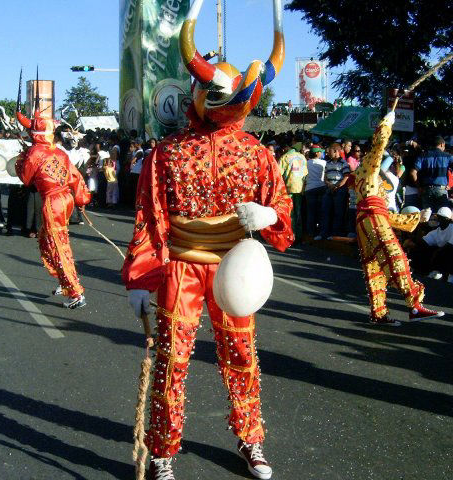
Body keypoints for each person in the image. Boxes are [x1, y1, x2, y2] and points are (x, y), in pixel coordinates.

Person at [123, 4, 292, 477]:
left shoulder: (258, 154)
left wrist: (269, 214)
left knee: (241, 355)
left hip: (235, 264)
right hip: (181, 266)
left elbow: (283, 213)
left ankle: (251, 439)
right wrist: (141, 276)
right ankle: (161, 451)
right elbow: (150, 217)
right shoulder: (166, 154)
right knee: (171, 359)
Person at [353, 111, 443, 326]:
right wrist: (388, 121)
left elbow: (386, 215)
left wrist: (416, 217)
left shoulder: (370, 179)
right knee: (394, 255)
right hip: (371, 219)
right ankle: (414, 304)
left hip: (368, 220)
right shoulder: (370, 166)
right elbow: (379, 143)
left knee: (374, 266)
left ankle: (379, 313)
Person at [15, 102, 92, 309]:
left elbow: (25, 177)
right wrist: (82, 199)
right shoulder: (59, 152)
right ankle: (63, 281)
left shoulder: (35, 153)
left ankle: (76, 292)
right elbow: (75, 176)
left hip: (52, 201)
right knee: (46, 240)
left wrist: (22, 156)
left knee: (58, 245)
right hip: (66, 199)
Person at [411, 207, 453, 284]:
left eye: (441, 218)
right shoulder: (436, 231)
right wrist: (416, 231)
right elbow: (423, 242)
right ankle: (430, 271)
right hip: (442, 260)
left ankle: (451, 276)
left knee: (449, 251)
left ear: (447, 219)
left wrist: (436, 253)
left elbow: (451, 246)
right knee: (421, 249)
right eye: (438, 217)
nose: (439, 220)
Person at [410, 135, 453, 212]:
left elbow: (412, 172)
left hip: (426, 190)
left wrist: (419, 187)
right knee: (442, 216)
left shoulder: (423, 156)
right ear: (442, 144)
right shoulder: (448, 156)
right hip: (441, 190)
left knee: (427, 216)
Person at [317, 142, 350, 240]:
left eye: (330, 151)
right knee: (325, 211)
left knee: (338, 212)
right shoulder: (328, 163)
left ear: (336, 151)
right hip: (329, 188)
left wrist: (337, 186)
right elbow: (325, 177)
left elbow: (346, 176)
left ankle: (335, 234)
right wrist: (329, 185)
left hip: (340, 190)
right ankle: (323, 233)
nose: (327, 153)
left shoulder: (344, 163)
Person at [278, 139, 308, 242]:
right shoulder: (303, 158)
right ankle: (298, 236)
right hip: (300, 189)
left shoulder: (285, 157)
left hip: (288, 189)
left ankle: (291, 236)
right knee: (298, 213)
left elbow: (278, 175)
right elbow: (305, 174)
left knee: (290, 213)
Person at [304, 145, 326, 237]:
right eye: (321, 152)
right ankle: (320, 231)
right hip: (321, 188)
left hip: (309, 189)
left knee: (311, 212)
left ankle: (310, 232)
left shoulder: (306, 163)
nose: (322, 153)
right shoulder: (324, 163)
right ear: (317, 153)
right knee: (321, 211)